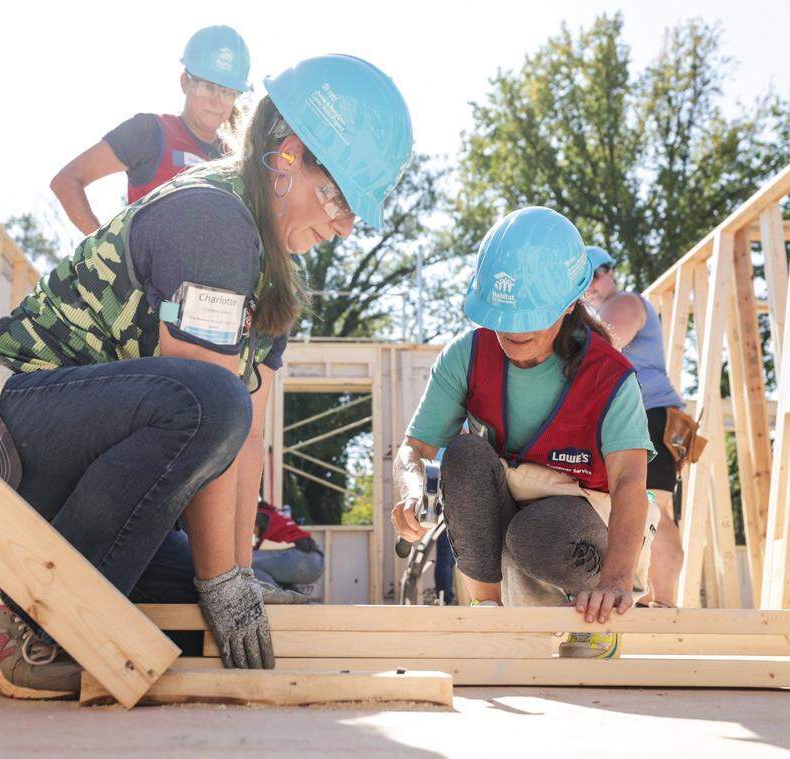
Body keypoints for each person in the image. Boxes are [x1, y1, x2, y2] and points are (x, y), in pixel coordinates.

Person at [0, 54, 413, 699]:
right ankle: (24, 620)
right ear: (287, 155)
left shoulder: (272, 271)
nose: (346, 225)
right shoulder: (214, 219)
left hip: (38, 468)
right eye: (340, 196)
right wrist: (223, 583)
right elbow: (209, 408)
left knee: (191, 587)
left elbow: (246, 438)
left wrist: (232, 576)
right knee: (207, 406)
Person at [390, 207, 658, 660]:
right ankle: (488, 612)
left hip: (584, 521)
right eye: (502, 317)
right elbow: (413, 450)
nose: (512, 331)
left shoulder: (609, 376)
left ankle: (591, 610)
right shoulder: (466, 357)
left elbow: (631, 482)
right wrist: (411, 490)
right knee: (464, 454)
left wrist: (615, 580)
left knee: (537, 533)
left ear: (569, 305)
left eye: (529, 317)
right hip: (509, 509)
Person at [51, 25, 251, 235]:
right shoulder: (148, 133)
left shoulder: (236, 162)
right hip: (149, 267)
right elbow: (66, 181)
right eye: (208, 87)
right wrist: (107, 253)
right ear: (185, 82)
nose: (216, 101)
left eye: (227, 92)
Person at [584, 246, 685, 607]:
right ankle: (649, 599)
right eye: (583, 277)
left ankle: (665, 605)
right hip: (638, 416)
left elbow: (598, 347)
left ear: (611, 273)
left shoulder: (624, 303)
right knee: (640, 506)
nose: (592, 283)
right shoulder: (602, 308)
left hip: (650, 413)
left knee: (653, 506)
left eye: (597, 273)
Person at [252, 499, 324, 596]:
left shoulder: (257, 516)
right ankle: (292, 594)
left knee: (245, 562)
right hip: (315, 559)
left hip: (302, 558)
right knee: (260, 566)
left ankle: (276, 596)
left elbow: (247, 545)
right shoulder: (270, 511)